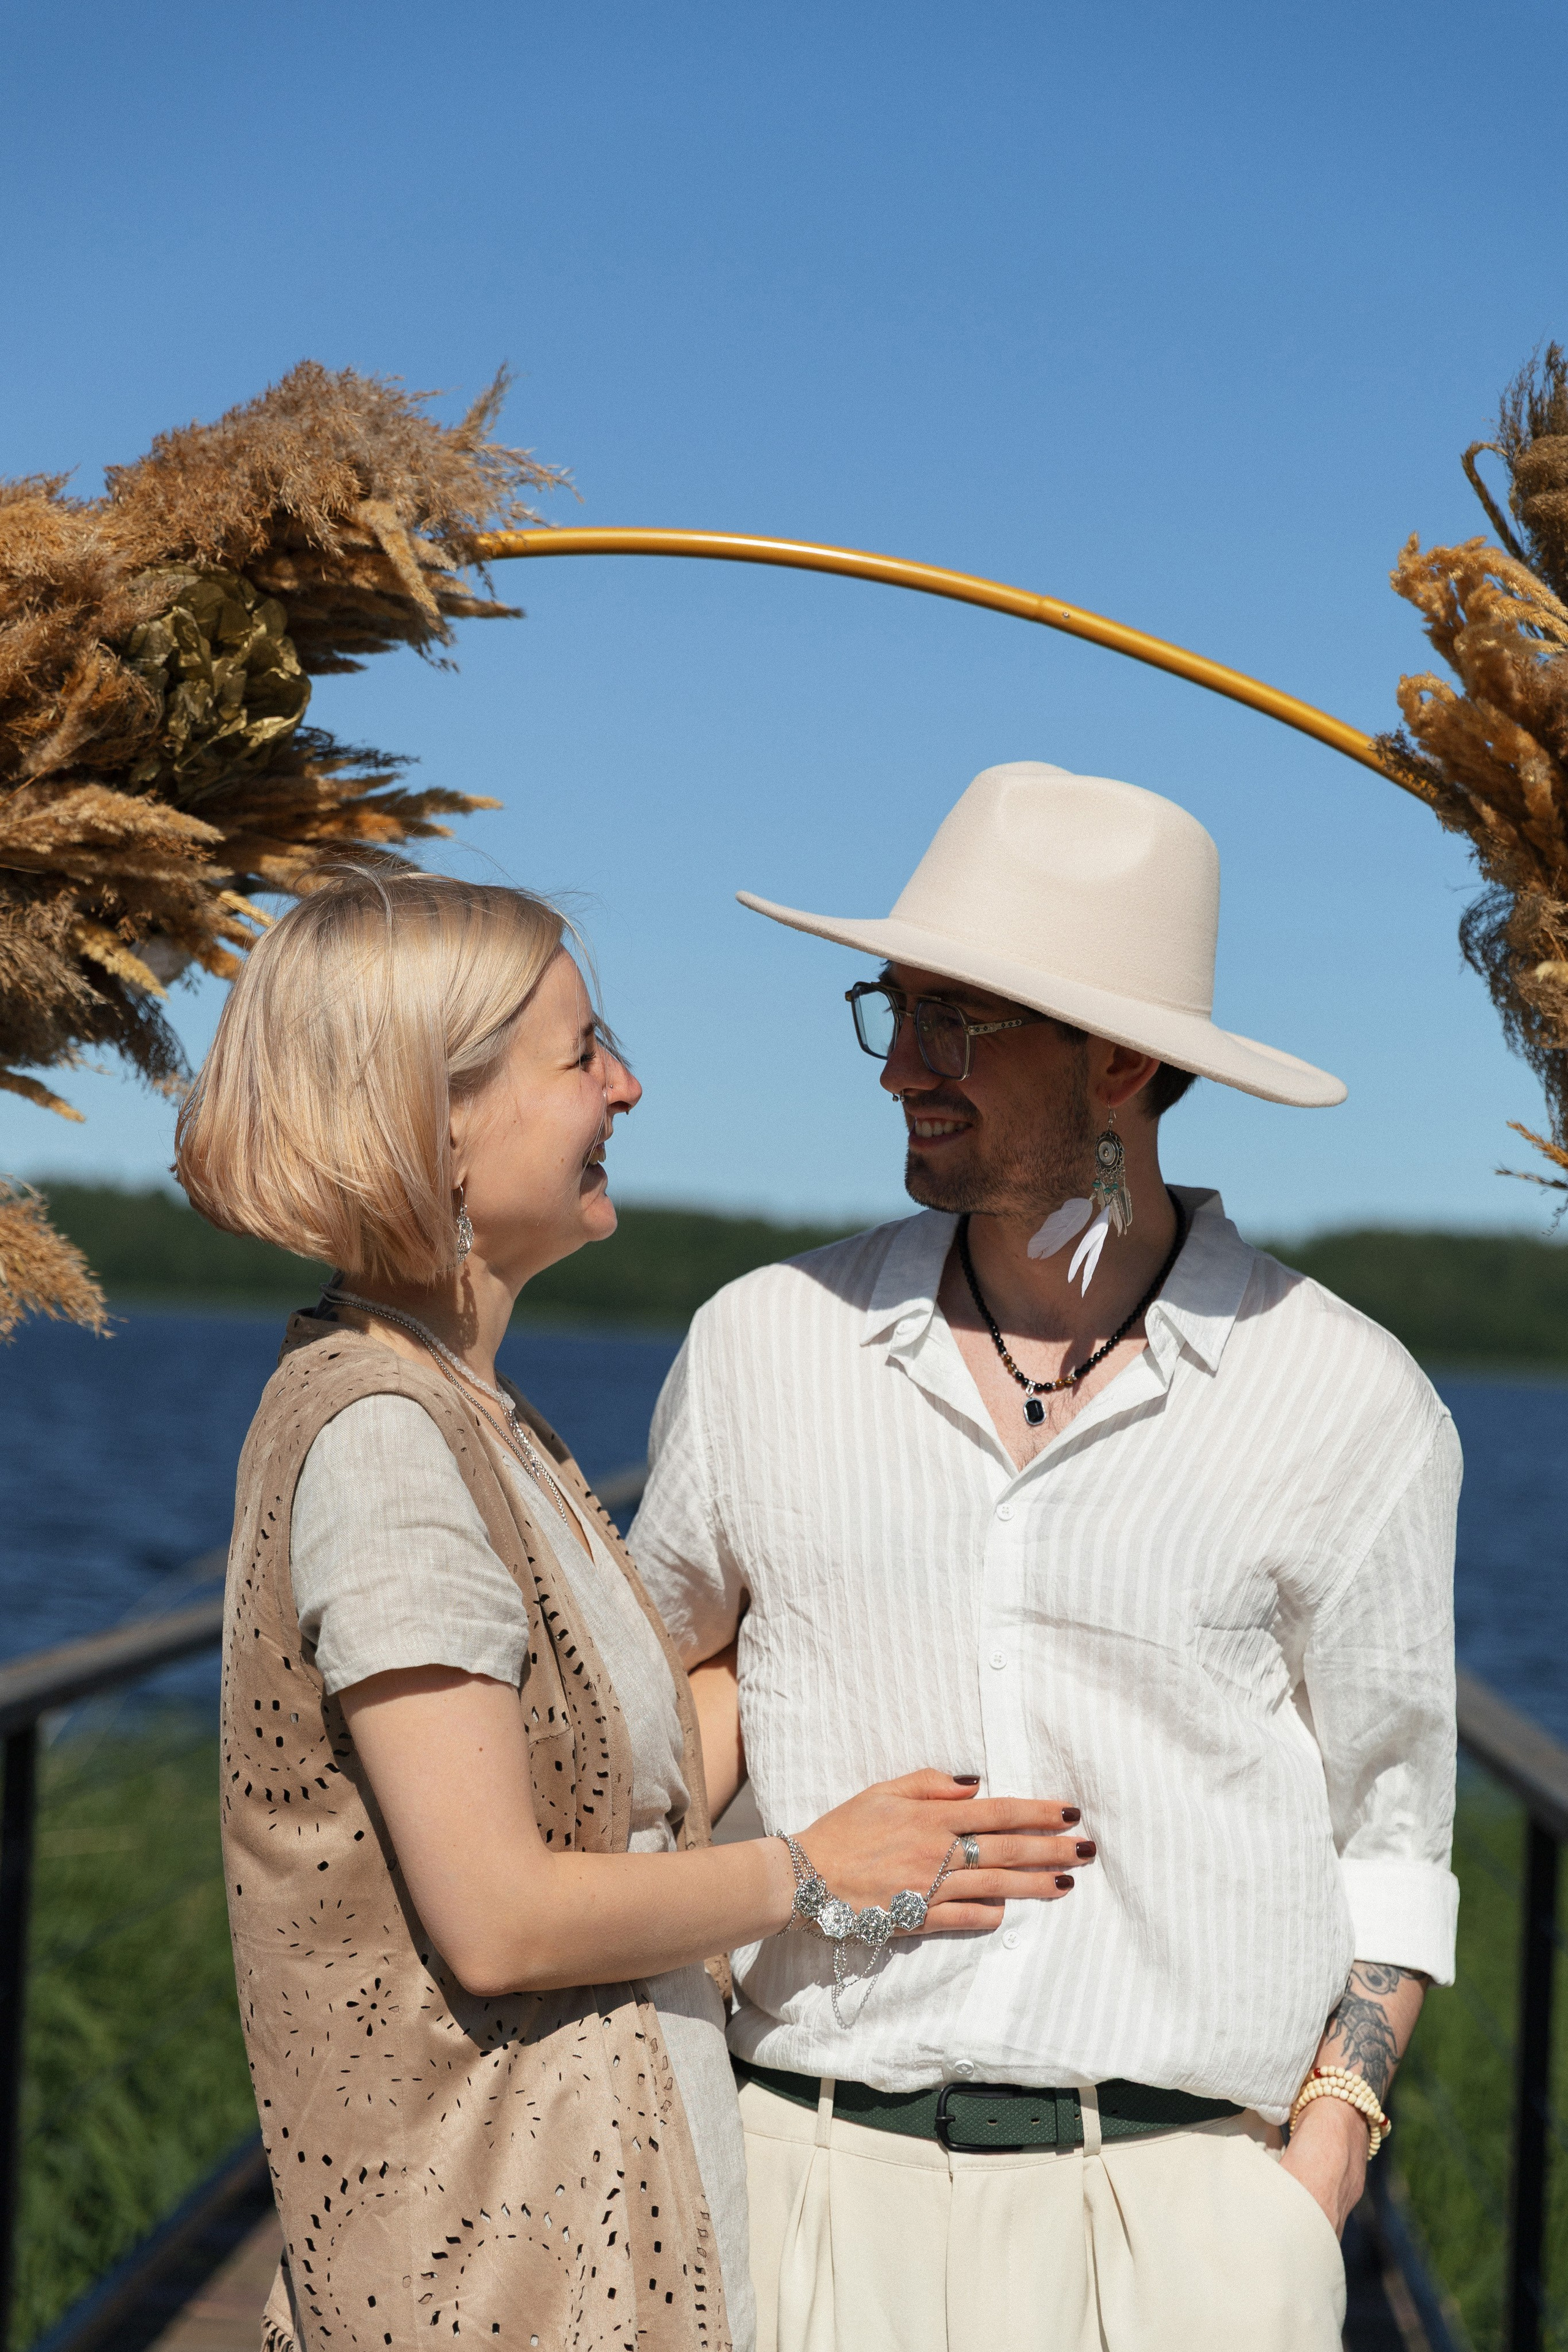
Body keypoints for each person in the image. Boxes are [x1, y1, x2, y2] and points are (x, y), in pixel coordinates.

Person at [175, 866, 1088, 2352]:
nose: (628, 1084)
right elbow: (500, 1917)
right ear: (435, 1118)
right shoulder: (388, 1442)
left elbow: (617, 1783)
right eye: (581, 1053)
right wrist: (813, 1873)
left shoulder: (476, 1418)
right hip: (487, 2293)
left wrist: (848, 1574)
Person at [631, 762, 1460, 2352]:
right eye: (895, 1008)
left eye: (957, 1022)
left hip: (1182, 2239)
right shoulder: (760, 1347)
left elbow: (1393, 1826)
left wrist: (1325, 2152)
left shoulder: (1345, 1398)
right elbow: (641, 1695)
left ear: (1122, 1062)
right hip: (805, 2192)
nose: (903, 1067)